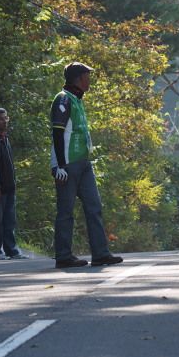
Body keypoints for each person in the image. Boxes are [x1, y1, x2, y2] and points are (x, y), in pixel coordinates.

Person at [50, 62, 123, 268]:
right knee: (66, 210)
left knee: (94, 207)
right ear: (79, 78)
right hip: (67, 164)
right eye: (87, 76)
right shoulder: (63, 99)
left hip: (83, 163)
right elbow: (57, 132)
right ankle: (63, 256)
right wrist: (60, 165)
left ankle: (100, 253)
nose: (89, 79)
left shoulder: (77, 100)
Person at [0, 108, 27, 261]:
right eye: (0, 119)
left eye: (5, 118)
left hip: (9, 187)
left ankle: (11, 250)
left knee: (9, 221)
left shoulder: (5, 138)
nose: (4, 121)